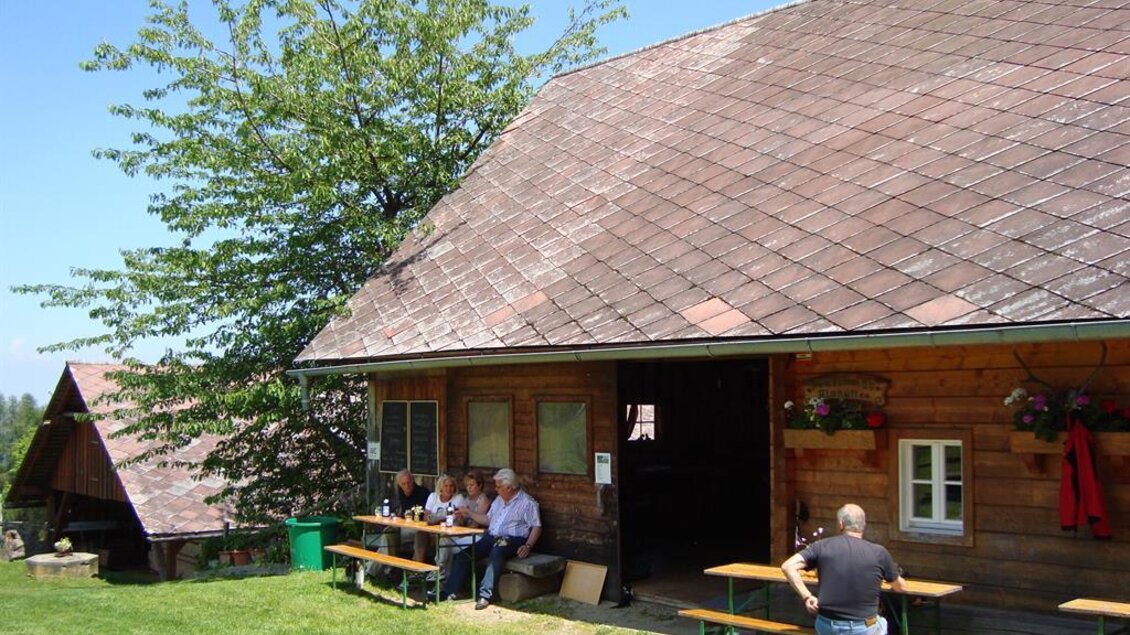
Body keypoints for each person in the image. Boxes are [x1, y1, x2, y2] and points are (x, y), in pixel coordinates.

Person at [781, 503, 907, 635]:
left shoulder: (821, 546)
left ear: (841, 524)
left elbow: (787, 566)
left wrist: (807, 597)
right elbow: (900, 587)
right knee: (882, 623)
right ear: (863, 525)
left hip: (827, 625)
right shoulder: (879, 553)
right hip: (864, 626)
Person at [432, 468, 541, 609]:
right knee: (464, 554)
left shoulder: (527, 503)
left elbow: (536, 526)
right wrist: (469, 513)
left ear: (509, 487)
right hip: (491, 536)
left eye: (499, 486)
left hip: (512, 539)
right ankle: (449, 591)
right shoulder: (499, 500)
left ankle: (485, 595)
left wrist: (528, 546)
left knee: (497, 553)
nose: (496, 489)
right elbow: (487, 519)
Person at [423, 474, 468, 580]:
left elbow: (462, 522)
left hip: (451, 533)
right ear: (440, 487)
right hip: (431, 531)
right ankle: (416, 572)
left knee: (444, 538)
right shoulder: (433, 497)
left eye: (451, 486)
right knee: (419, 535)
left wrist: (458, 516)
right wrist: (441, 518)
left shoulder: (458, 499)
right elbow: (426, 517)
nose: (449, 488)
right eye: (446, 486)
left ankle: (439, 570)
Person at [393, 469, 431, 562]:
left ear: (413, 481)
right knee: (388, 534)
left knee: (420, 534)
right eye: (403, 484)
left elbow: (425, 516)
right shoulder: (400, 494)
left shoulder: (423, 493)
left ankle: (414, 570)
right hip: (404, 527)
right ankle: (388, 567)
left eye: (409, 482)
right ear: (399, 485)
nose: (407, 486)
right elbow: (398, 513)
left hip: (419, 527)